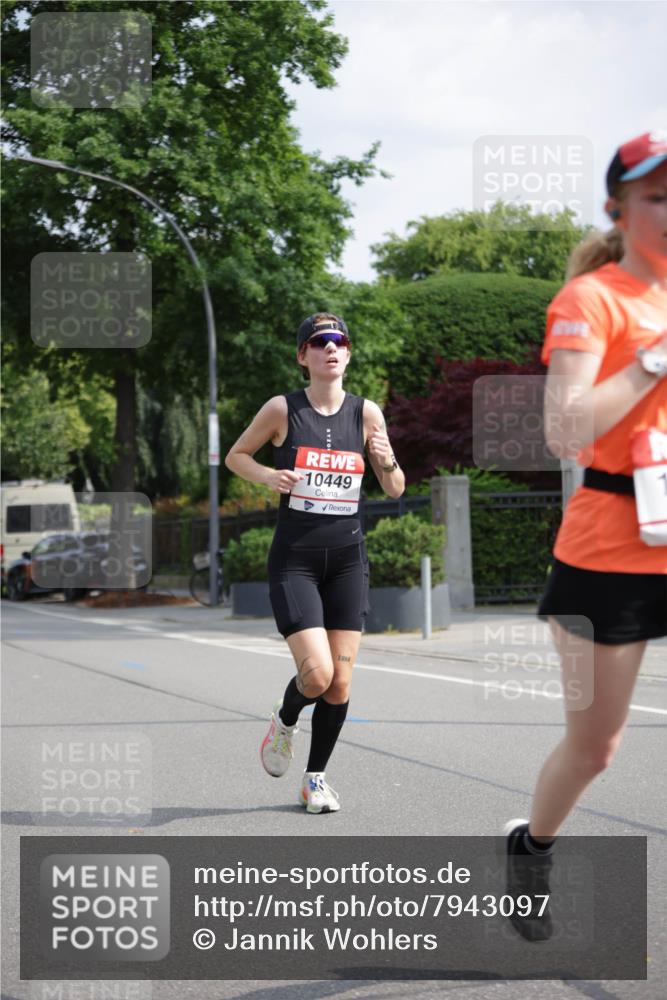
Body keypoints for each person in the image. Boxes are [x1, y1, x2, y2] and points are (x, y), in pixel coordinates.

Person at [504, 130, 667, 941]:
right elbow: (564, 431)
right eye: (657, 195)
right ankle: (531, 847)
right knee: (594, 748)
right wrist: (651, 363)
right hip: (609, 554)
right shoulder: (590, 300)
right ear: (618, 206)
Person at [225, 313, 405, 813]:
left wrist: (386, 458)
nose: (331, 348)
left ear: (348, 354)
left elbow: (395, 486)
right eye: (319, 341)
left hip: (348, 561)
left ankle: (314, 779)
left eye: (339, 340)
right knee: (317, 676)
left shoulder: (367, 414)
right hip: (296, 562)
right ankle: (285, 720)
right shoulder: (283, 408)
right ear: (303, 355)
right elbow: (235, 456)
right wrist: (267, 475)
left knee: (341, 682)